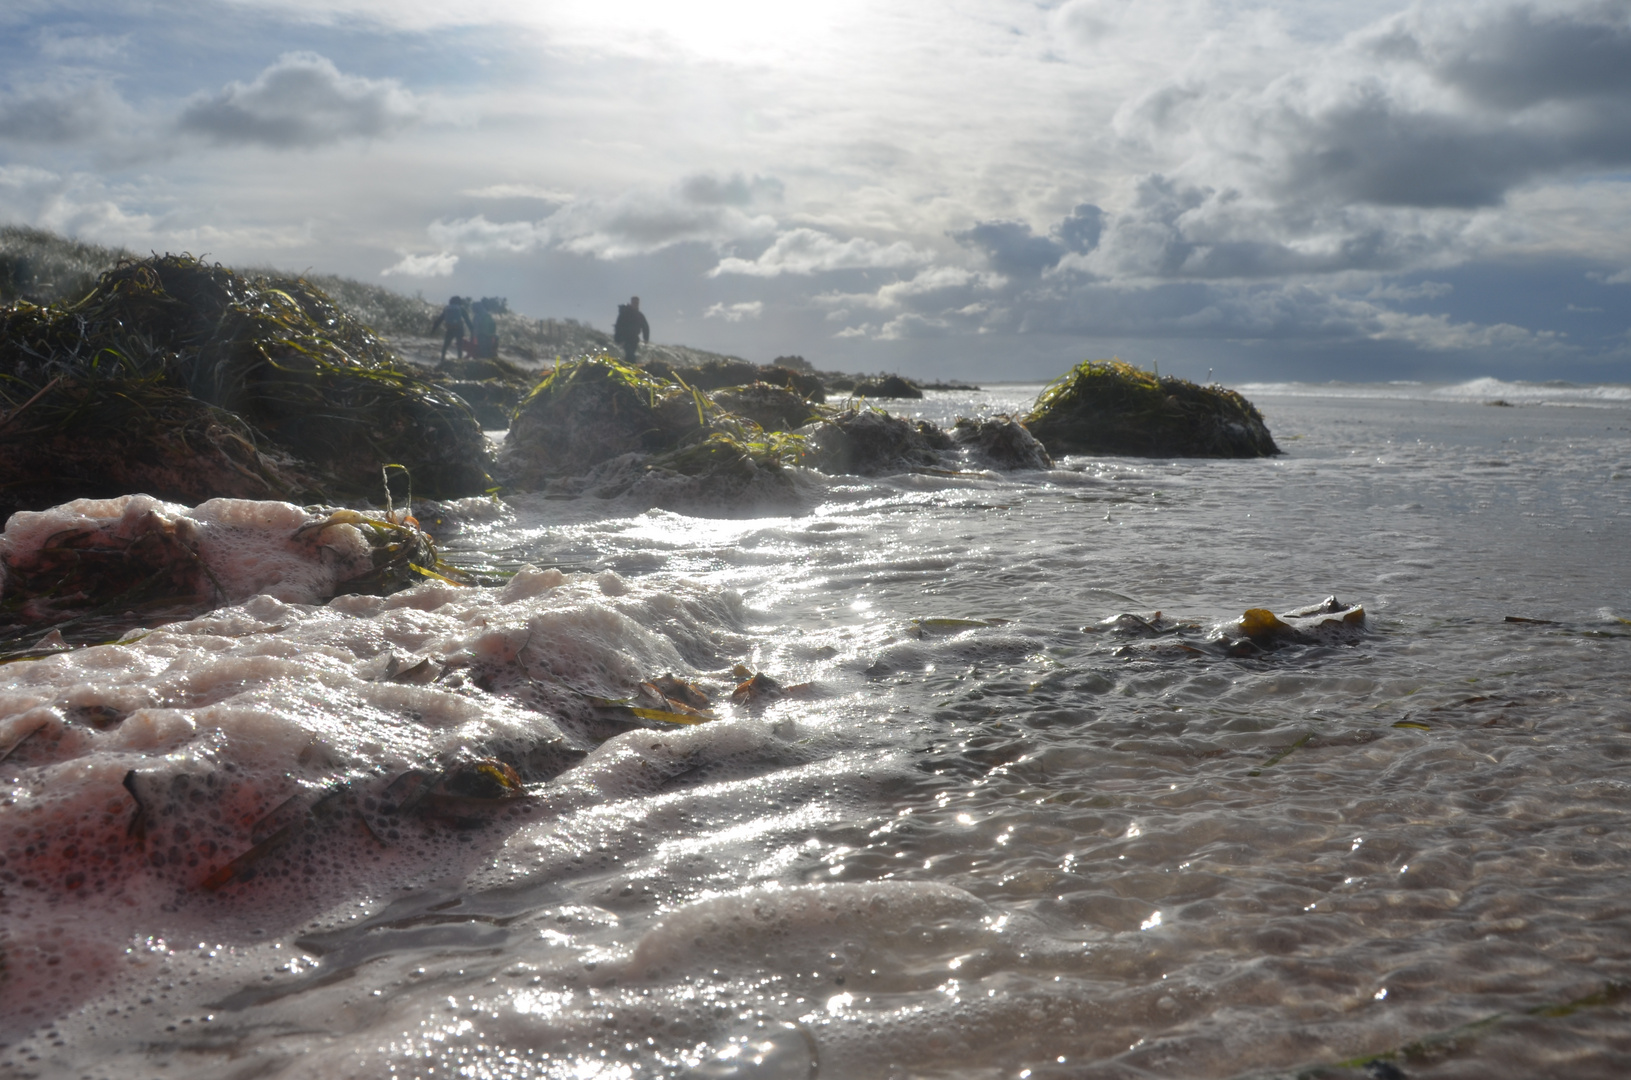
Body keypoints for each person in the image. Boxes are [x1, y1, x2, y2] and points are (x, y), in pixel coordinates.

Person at [431, 296, 472, 362]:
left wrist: (433, 330)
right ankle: (459, 361)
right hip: (459, 329)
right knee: (459, 346)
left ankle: (442, 360)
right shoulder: (461, 309)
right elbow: (467, 320)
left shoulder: (447, 308)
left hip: (449, 329)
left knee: (445, 345)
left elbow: (439, 320)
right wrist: (472, 330)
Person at [613, 295, 649, 365]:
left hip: (634, 339)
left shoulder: (639, 315)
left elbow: (645, 327)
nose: (635, 304)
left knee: (629, 355)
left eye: (637, 303)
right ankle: (631, 367)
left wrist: (646, 338)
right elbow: (618, 326)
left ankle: (625, 367)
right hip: (625, 339)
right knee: (631, 355)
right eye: (634, 302)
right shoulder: (625, 313)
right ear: (631, 302)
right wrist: (619, 338)